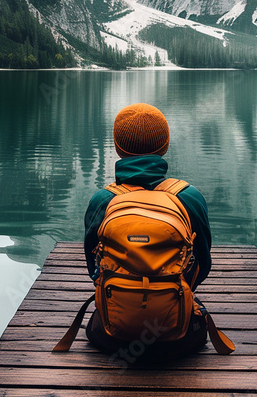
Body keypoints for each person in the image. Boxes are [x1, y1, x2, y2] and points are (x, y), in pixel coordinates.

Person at [82, 102, 212, 359]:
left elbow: (93, 269)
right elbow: (203, 265)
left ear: (118, 148)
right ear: (164, 146)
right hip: (181, 335)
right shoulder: (189, 197)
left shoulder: (103, 200)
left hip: (111, 335)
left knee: (94, 326)